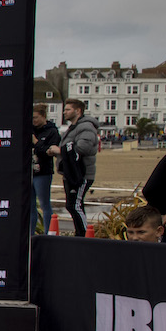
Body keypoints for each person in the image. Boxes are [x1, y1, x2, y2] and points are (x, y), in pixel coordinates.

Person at [49, 98, 98, 236]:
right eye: (64, 109)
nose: (64, 112)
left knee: (74, 205)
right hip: (71, 173)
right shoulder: (73, 128)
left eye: (68, 109)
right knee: (72, 205)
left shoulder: (86, 126)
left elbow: (84, 147)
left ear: (78, 111)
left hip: (81, 174)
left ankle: (83, 234)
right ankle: (80, 233)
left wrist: (59, 150)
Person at [30, 105, 60, 233]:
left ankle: (49, 231)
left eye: (36, 118)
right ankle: (30, 233)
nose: (33, 121)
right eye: (32, 118)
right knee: (30, 205)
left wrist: (36, 143)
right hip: (29, 171)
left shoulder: (52, 131)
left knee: (44, 204)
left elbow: (49, 151)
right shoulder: (30, 129)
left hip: (43, 172)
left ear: (43, 116)